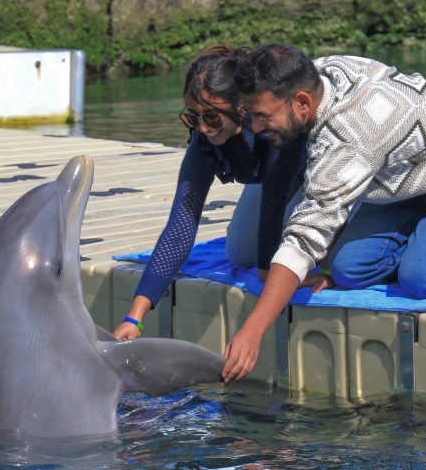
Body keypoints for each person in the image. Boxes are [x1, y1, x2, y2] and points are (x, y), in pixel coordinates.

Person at [222, 43, 426, 382]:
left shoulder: (350, 138)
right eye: (250, 115)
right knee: (349, 268)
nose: (253, 127)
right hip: (413, 169)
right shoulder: (319, 73)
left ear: (302, 103)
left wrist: (253, 330)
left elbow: (305, 237)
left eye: (262, 116)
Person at [113, 44, 315, 340]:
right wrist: (136, 315)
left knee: (272, 262)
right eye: (193, 117)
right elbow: (181, 224)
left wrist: (268, 267)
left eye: (211, 117)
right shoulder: (203, 139)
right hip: (272, 183)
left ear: (242, 107)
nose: (203, 128)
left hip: (315, 178)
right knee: (239, 253)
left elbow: (274, 198)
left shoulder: (270, 125)